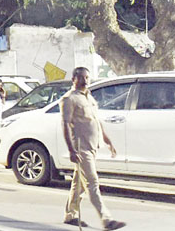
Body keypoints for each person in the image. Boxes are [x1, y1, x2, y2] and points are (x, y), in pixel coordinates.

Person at [61, 67, 126, 229]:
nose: (85, 80)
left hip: (93, 146)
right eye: (81, 77)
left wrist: (107, 140)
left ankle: (70, 214)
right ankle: (106, 219)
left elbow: (96, 121)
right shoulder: (69, 99)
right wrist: (71, 150)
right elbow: (65, 124)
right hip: (81, 148)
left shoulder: (89, 97)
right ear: (74, 79)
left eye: (87, 77)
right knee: (92, 182)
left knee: (78, 183)